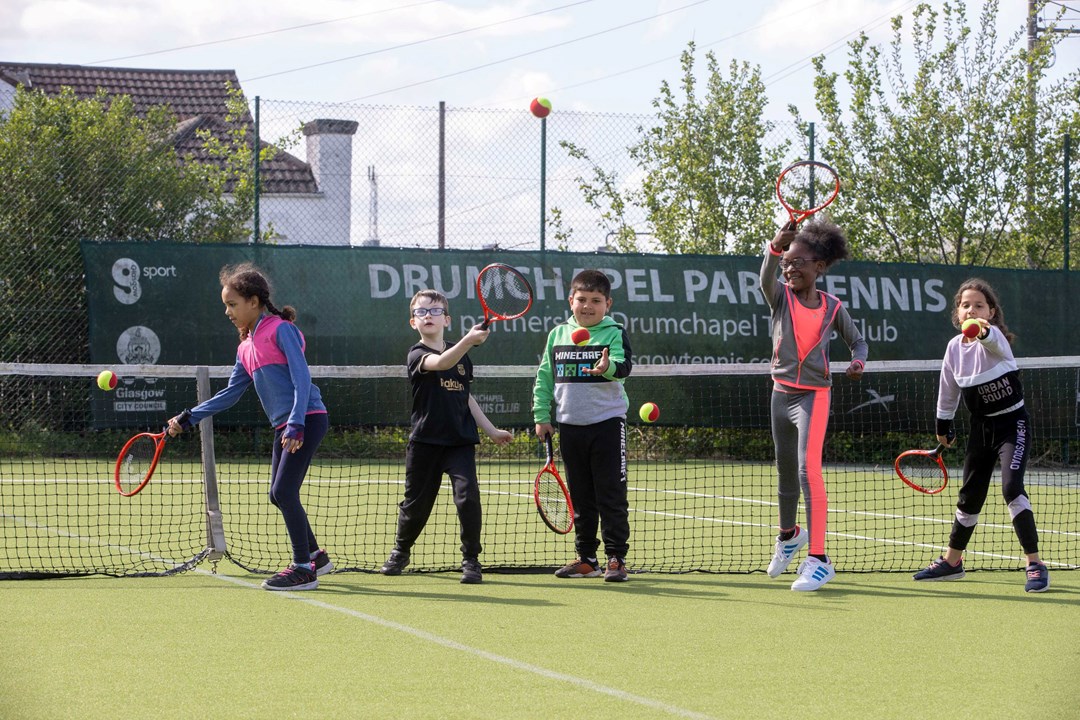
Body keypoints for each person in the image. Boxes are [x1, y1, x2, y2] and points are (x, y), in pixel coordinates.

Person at [167, 263, 330, 591]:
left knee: (284, 491)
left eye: (232, 304)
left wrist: (296, 423)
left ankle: (303, 568)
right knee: (277, 494)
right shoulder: (246, 347)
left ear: (253, 301)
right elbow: (230, 393)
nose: (227, 311)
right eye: (225, 305)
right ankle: (316, 557)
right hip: (284, 425)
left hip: (306, 419)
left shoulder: (280, 329)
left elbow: (301, 377)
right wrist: (190, 416)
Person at [912, 279, 1049, 592]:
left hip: (1012, 425)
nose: (971, 310)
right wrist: (943, 426)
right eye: (965, 305)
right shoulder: (953, 349)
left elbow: (983, 334)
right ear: (957, 313)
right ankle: (952, 562)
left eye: (978, 305)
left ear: (991, 312)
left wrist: (980, 328)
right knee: (969, 497)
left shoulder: (995, 337)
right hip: (980, 429)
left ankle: (1035, 564)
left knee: (1012, 488)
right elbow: (948, 391)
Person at [758, 220, 867, 591]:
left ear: (819, 267)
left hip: (813, 395)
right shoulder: (780, 298)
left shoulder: (833, 307)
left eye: (798, 262)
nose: (790, 268)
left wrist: (857, 363)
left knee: (808, 470)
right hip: (780, 393)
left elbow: (859, 344)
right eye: (786, 263)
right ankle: (789, 535)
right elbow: (765, 278)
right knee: (785, 472)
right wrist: (775, 247)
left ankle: (819, 560)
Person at [380, 290, 513, 584]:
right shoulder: (417, 354)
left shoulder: (463, 359)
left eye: (435, 311)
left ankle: (471, 560)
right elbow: (439, 363)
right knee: (416, 505)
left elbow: (466, 398)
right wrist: (468, 342)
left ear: (447, 319)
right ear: (412, 322)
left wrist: (491, 430)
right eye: (421, 312)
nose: (428, 315)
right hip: (425, 442)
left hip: (459, 443)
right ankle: (401, 551)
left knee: (468, 499)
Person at [533, 269, 634, 582]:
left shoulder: (614, 332)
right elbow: (545, 376)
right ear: (570, 301)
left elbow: (624, 366)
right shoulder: (557, 335)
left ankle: (616, 558)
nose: (588, 306)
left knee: (611, 494)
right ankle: (587, 559)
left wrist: (608, 367)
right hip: (569, 426)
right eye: (582, 300)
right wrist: (541, 415)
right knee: (581, 497)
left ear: (608, 304)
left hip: (607, 424)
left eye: (596, 300)